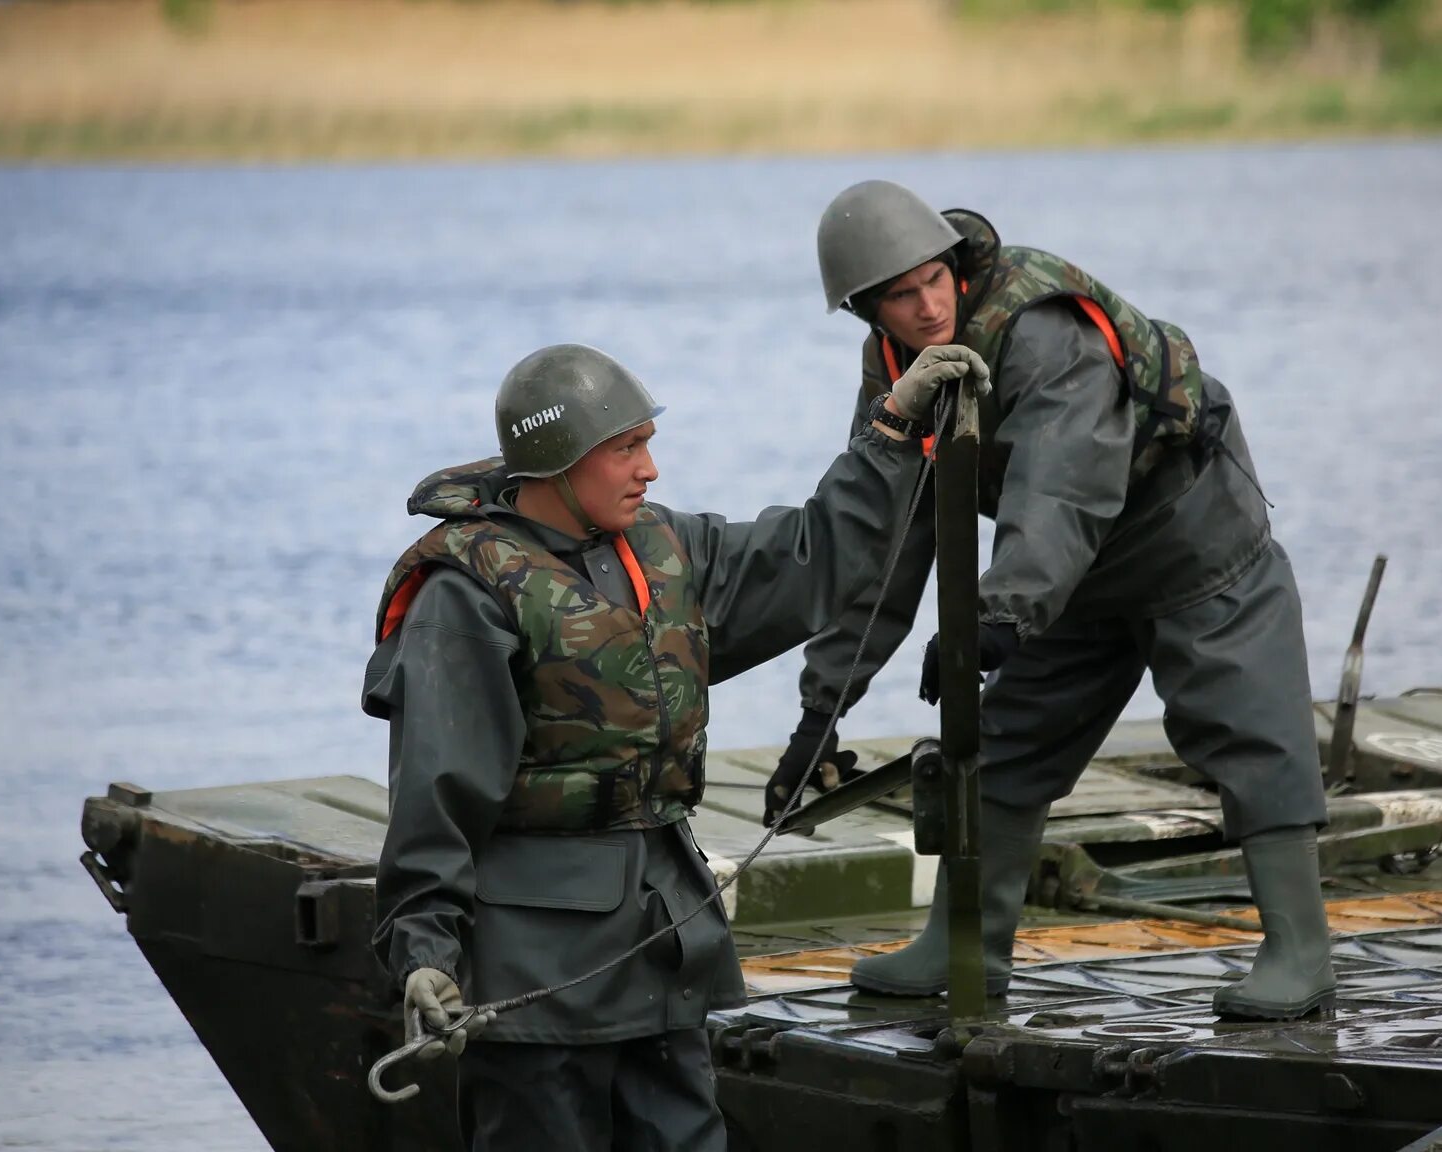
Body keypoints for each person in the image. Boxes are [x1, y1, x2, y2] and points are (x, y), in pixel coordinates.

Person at [365, 340, 987, 1151]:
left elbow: (812, 557)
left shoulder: (665, 549)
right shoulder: (468, 594)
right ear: (559, 461)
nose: (649, 469)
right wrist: (424, 951)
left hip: (661, 946)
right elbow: (434, 792)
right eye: (626, 448)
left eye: (645, 444)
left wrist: (893, 428)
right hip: (535, 972)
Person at [764, 180, 1335, 1021]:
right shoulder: (898, 371)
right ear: (865, 311)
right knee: (1006, 744)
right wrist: (822, 712)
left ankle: (1300, 953)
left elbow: (1061, 488)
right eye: (899, 296)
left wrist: (998, 615)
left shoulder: (1040, 330)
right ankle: (965, 946)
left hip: (1191, 540)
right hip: (1073, 578)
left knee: (1250, 734)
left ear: (953, 266)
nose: (926, 308)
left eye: (934, 281)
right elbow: (882, 540)